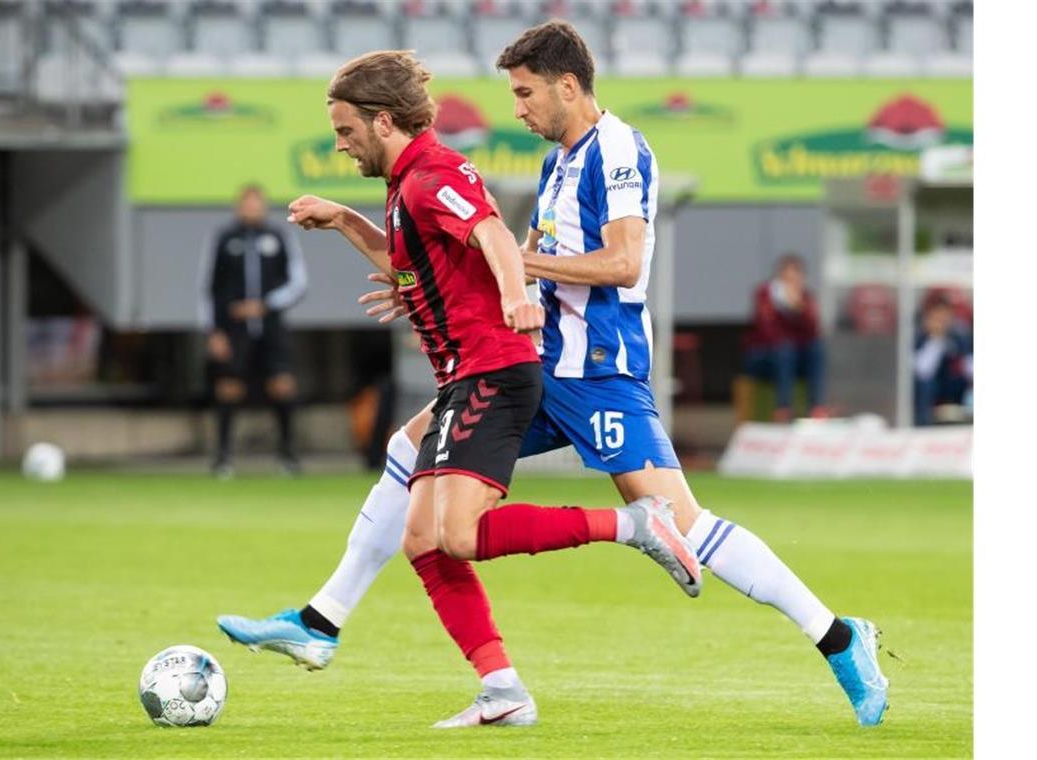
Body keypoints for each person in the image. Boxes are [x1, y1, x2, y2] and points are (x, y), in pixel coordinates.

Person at [218, 22, 888, 729]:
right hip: (534, 361)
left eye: (526, 92)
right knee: (410, 459)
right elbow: (515, 253)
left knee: (685, 524)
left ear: (568, 86)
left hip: (597, 368)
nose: (518, 108)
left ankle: (841, 637)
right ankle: (331, 621)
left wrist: (515, 264)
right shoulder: (557, 164)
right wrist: (431, 282)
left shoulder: (619, 149)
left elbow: (623, 263)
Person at [219, 47, 701, 729]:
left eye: (346, 131)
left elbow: (495, 236)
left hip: (492, 372)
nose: (340, 145)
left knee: (460, 534)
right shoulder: (403, 187)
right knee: (422, 537)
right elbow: (409, 260)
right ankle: (498, 687)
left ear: (383, 122)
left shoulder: (431, 176)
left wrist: (517, 297)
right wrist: (344, 220)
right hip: (464, 378)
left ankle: (633, 524)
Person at [206, 184, 307, 477]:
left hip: (271, 327)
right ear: (239, 206)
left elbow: (298, 283)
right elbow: (209, 287)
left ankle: (288, 456)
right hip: (233, 329)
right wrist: (214, 330)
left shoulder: (278, 237)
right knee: (228, 388)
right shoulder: (225, 239)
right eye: (246, 203)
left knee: (283, 385)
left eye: (256, 203)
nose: (252, 208)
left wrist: (266, 304)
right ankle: (223, 458)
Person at [741, 253, 830, 421]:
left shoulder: (805, 298)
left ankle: (817, 407)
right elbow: (766, 331)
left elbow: (812, 333)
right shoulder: (765, 295)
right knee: (785, 351)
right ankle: (783, 408)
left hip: (794, 359)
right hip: (765, 357)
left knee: (816, 349)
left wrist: (800, 310)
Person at [914, 294, 973, 425]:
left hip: (955, 387)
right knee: (925, 385)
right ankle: (923, 425)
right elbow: (922, 371)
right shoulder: (918, 339)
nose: (941, 322)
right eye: (937, 318)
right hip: (930, 390)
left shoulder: (959, 337)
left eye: (945, 318)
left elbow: (969, 365)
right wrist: (936, 339)